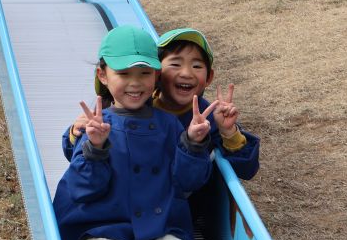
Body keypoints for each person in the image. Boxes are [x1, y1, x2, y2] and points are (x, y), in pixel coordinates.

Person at [53, 25, 268, 240]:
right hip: (106, 227)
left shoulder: (173, 123)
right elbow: (83, 187)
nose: (135, 82)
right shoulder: (98, 125)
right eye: (124, 73)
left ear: (155, 78)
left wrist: (194, 145)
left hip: (158, 226)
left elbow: (184, 182)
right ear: (103, 75)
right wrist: (92, 146)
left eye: (144, 73)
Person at [63, 28, 260, 181]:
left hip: (182, 201)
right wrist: (75, 133)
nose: (186, 73)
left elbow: (245, 170)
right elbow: (78, 154)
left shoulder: (209, 117)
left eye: (197, 66)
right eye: (175, 64)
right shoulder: (134, 104)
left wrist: (229, 133)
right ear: (156, 73)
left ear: (209, 77)